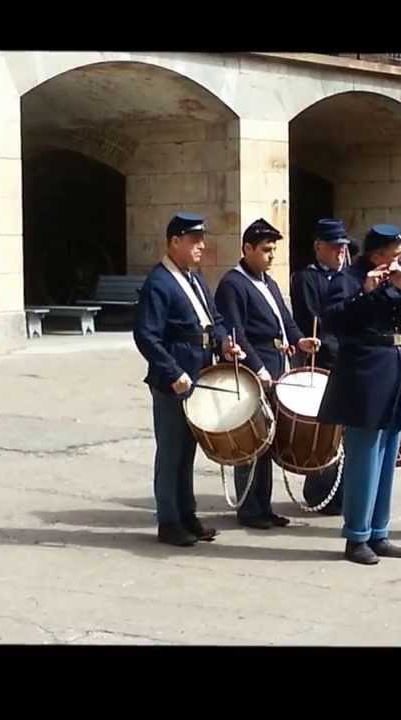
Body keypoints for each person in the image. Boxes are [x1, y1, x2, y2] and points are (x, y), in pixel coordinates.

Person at [318, 224, 401, 565]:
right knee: (365, 456)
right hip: (364, 370)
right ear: (376, 255)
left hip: (392, 366)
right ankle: (357, 536)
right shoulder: (348, 279)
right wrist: (365, 294)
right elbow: (332, 321)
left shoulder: (396, 279)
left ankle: (378, 531)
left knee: (387, 455)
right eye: (395, 254)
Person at [133, 211, 247, 547]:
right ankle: (168, 520)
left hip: (199, 373)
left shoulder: (194, 279)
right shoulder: (159, 282)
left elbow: (215, 321)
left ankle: (187, 513)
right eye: (194, 240)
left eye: (202, 240)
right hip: (174, 380)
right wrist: (173, 372)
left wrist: (225, 343)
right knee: (171, 452)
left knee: (187, 451)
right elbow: (146, 335)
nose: (201, 246)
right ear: (174, 242)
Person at [215, 218, 321, 529]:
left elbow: (285, 321)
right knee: (251, 442)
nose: (271, 255)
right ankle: (249, 508)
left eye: (273, 250)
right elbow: (236, 332)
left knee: (268, 440)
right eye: (265, 250)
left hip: (275, 367)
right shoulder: (233, 284)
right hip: (253, 371)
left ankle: (264, 506)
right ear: (247, 249)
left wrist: (300, 340)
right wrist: (258, 367)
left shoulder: (269, 282)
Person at [290, 218, 351, 514]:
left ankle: (344, 490)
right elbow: (313, 317)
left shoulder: (350, 278)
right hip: (323, 358)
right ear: (319, 247)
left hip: (349, 361)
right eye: (335, 246)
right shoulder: (307, 278)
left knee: (347, 432)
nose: (341, 252)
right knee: (324, 430)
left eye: (343, 247)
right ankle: (319, 490)